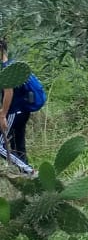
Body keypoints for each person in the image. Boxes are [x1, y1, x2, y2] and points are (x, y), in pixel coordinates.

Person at [0, 38, 43, 167]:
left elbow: (9, 92)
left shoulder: (6, 69)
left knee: (1, 146)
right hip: (22, 111)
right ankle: (28, 179)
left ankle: (27, 170)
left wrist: (3, 115)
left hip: (13, 112)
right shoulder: (13, 65)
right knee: (18, 146)